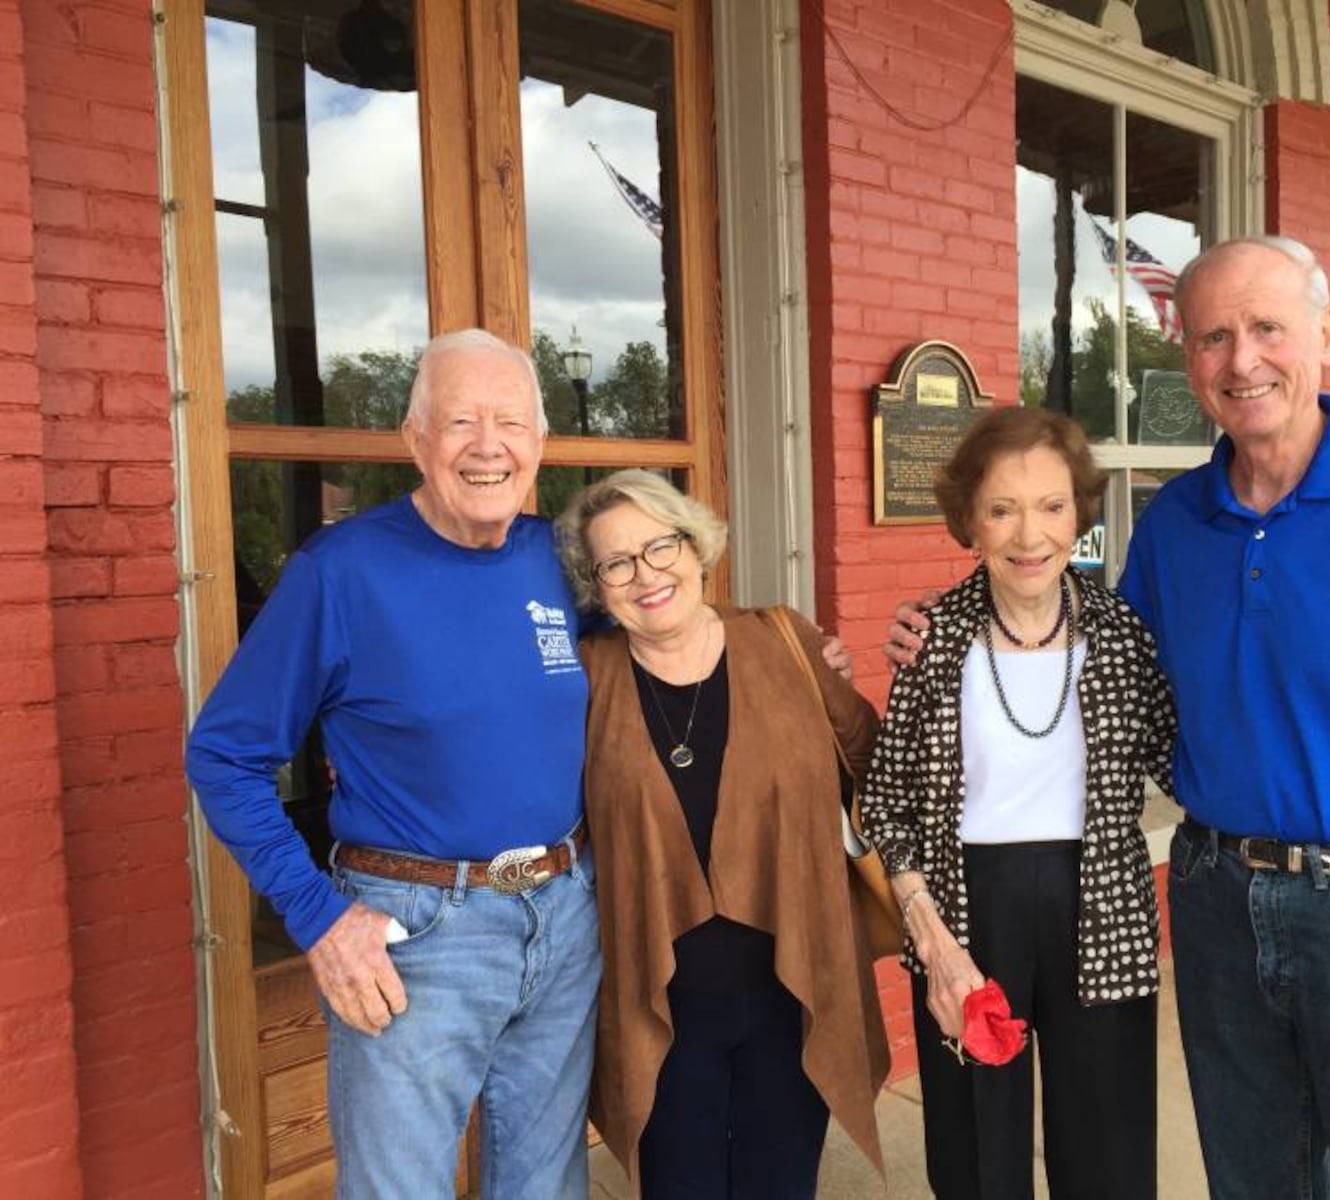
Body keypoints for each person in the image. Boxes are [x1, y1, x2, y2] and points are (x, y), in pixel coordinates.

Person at [891, 236, 1330, 1200]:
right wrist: (945, 639)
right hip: (1218, 904)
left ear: (1327, 333)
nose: (1242, 360)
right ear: (1190, 364)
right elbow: (1097, 669)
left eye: (1267, 328)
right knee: (1255, 1184)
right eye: (1213, 337)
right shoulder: (1176, 525)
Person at [187, 329, 599, 1199]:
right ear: (416, 440)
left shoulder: (559, 562)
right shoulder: (342, 572)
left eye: (511, 423)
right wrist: (318, 918)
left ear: (540, 444)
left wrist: (795, 655)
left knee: (544, 1187)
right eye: (460, 422)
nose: (488, 446)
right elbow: (224, 754)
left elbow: (669, 643)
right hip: (417, 935)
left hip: (563, 916)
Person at [861, 406, 1176, 1199]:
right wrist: (934, 946)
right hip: (967, 913)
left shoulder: (1123, 636)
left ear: (1080, 514)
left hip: (1099, 910)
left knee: (1107, 1152)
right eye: (1001, 509)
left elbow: (1181, 763)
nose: (1029, 534)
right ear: (969, 522)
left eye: (1051, 505)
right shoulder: (931, 640)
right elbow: (888, 809)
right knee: (976, 1156)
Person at [555, 469, 889, 1198]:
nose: (646, 574)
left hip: (790, 987)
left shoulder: (785, 641)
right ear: (597, 585)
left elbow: (875, 759)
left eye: (660, 546)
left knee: (780, 1184)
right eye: (617, 562)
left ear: (696, 545)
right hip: (661, 1004)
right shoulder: (587, 677)